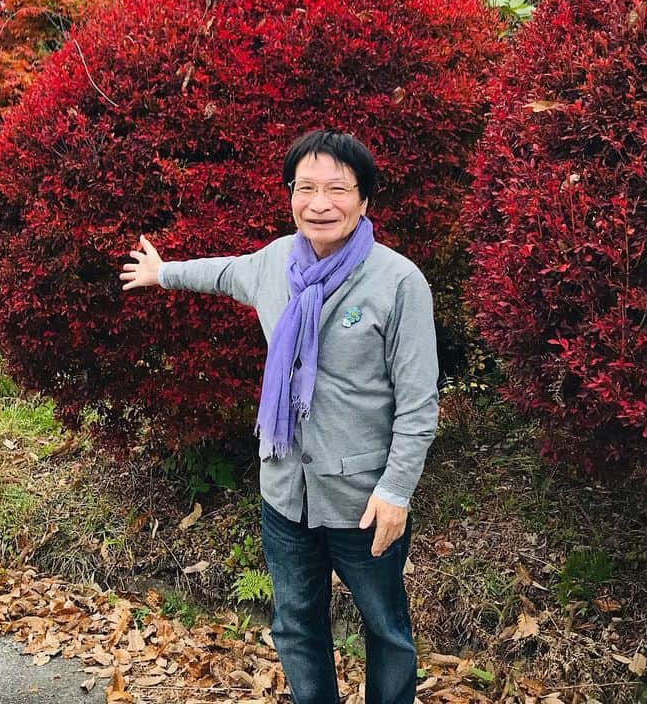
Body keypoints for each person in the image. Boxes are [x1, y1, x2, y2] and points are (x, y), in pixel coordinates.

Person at [121, 130, 439, 704]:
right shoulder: (274, 263)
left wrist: (396, 490)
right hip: (285, 491)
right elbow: (221, 273)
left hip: (363, 500)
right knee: (296, 625)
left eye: (338, 189)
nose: (320, 203)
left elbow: (419, 403)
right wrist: (164, 272)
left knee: (387, 631)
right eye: (306, 188)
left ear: (364, 200)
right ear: (290, 195)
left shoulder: (398, 282)